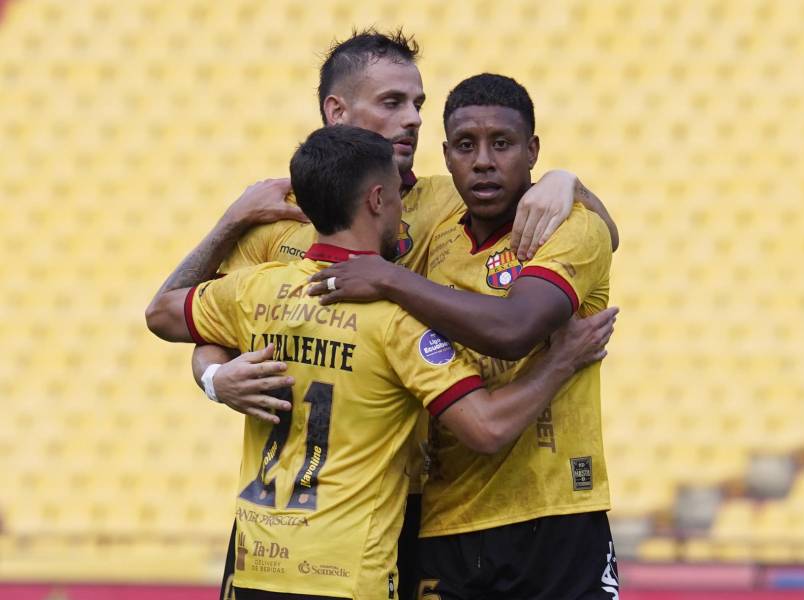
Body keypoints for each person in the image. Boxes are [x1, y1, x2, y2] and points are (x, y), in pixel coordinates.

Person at [165, 29, 621, 600]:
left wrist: (563, 180)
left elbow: (599, 232)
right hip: (294, 520)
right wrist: (214, 376)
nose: (412, 119)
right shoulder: (277, 218)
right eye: (393, 102)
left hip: (409, 504)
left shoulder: (451, 197)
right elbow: (207, 323)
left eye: (418, 104)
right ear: (337, 111)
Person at [308, 75, 618, 599]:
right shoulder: (436, 230)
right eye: (466, 146)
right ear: (447, 156)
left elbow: (514, 329)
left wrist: (569, 182)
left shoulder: (572, 228)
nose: (484, 162)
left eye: (503, 144)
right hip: (447, 519)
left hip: (557, 515)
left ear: (532, 150)